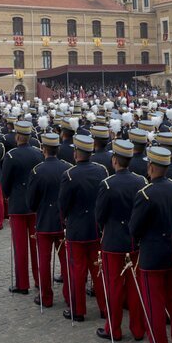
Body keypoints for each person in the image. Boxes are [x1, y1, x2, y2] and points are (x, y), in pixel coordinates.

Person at [129, 145, 172, 343]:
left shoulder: (145, 194)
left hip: (152, 253)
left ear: (152, 167)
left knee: (154, 303)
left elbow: (135, 228)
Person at [95, 138, 147, 342]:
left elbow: (100, 215)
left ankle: (113, 328)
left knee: (114, 287)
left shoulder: (107, 184)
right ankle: (137, 329)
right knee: (135, 288)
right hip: (134, 240)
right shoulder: (141, 181)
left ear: (115, 160)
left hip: (113, 241)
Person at [58, 134, 107, 322]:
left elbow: (63, 204)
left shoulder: (69, 175)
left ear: (76, 152)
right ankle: (104, 308)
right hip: (95, 227)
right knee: (98, 271)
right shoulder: (101, 170)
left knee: (77, 272)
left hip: (77, 228)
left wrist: (65, 221)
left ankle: (78, 310)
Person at [27, 133, 72, 308]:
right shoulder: (68, 168)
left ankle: (46, 297)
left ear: (43, 149)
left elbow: (31, 203)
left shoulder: (37, 171)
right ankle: (70, 295)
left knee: (44, 262)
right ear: (58, 149)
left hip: (44, 221)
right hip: (63, 221)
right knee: (66, 261)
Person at [2, 120, 43, 295]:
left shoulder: (11, 156)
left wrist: (7, 195)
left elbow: (5, 182)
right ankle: (40, 280)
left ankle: (22, 284)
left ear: (18, 136)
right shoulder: (38, 153)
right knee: (36, 246)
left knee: (20, 246)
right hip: (35, 205)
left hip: (18, 204)